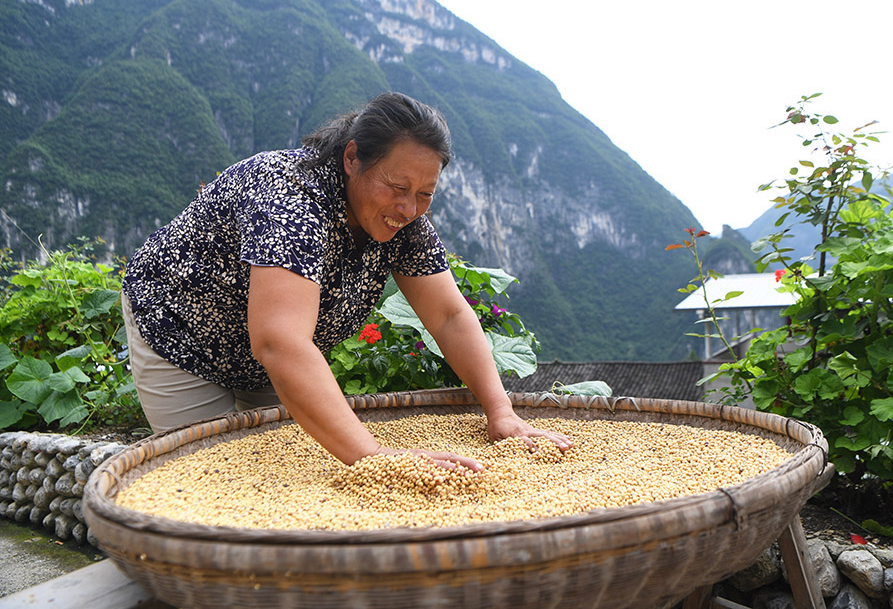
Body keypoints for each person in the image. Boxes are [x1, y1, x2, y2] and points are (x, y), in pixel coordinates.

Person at [120, 92, 571, 471]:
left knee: (283, 468)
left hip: (263, 348)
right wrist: (376, 457)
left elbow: (450, 316)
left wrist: (501, 411)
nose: (409, 208)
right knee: (214, 474)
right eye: (397, 187)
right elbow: (280, 343)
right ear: (352, 158)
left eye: (425, 193)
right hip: (181, 333)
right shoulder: (290, 198)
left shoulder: (406, 225)